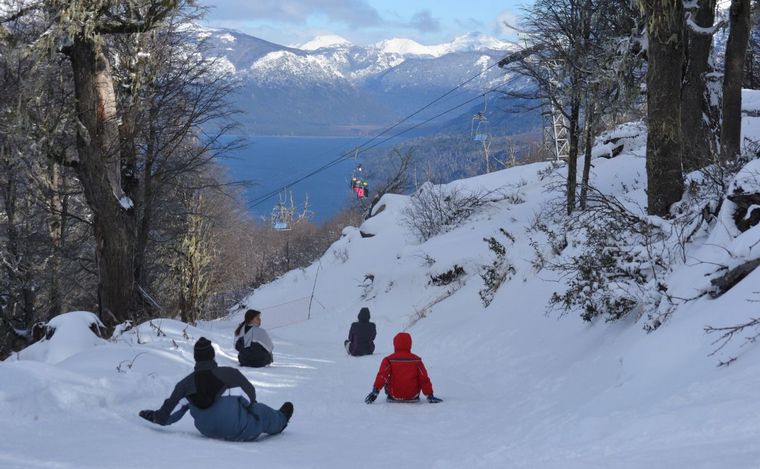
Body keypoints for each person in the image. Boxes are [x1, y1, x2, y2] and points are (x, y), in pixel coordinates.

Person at [139, 337, 293, 441]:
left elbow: (168, 415)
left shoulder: (185, 384)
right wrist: (249, 407)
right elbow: (250, 397)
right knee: (260, 411)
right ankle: (282, 419)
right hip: (240, 430)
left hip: (207, 431)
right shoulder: (230, 374)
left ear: (196, 358)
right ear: (213, 356)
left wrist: (154, 416)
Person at [364, 332, 443, 404]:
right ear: (410, 344)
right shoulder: (417, 360)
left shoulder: (388, 360)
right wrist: (430, 395)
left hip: (394, 395)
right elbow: (424, 379)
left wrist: (375, 391)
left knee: (387, 377)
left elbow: (382, 376)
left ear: (395, 344)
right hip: (413, 396)